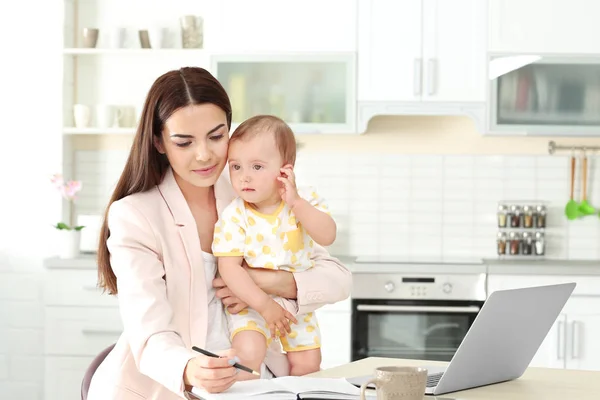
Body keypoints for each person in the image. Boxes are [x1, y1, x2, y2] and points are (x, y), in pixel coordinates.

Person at [86, 67, 352, 400]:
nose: (205, 154)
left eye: (216, 136)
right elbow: (149, 330)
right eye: (184, 142)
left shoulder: (252, 191)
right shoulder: (136, 215)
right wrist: (189, 368)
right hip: (166, 388)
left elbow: (338, 279)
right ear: (159, 142)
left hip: (256, 383)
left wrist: (263, 281)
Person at [212, 115, 337, 379]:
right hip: (251, 303)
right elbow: (228, 268)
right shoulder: (235, 214)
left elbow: (327, 236)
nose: (244, 177)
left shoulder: (304, 200)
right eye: (236, 167)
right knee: (248, 354)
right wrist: (264, 305)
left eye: (256, 167)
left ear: (285, 170)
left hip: (296, 305)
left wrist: (296, 203)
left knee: (308, 365)